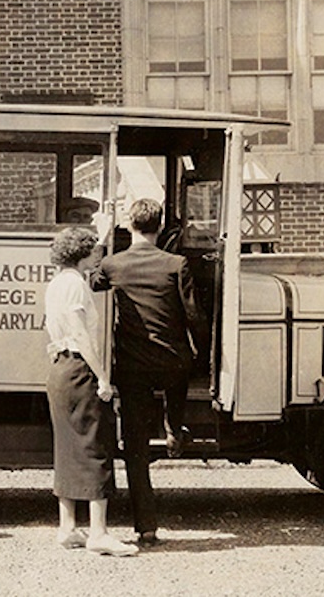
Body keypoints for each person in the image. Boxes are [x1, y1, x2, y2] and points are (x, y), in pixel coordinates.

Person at [89, 198, 204, 548]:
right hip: (172, 361)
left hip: (133, 364)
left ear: (130, 226)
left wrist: (101, 237)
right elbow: (194, 315)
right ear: (160, 226)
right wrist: (202, 354)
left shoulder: (114, 264)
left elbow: (93, 281)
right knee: (178, 380)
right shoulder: (177, 263)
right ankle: (174, 428)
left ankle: (147, 527)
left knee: (135, 448)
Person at [45, 227, 137, 557]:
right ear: (82, 254)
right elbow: (82, 336)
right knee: (96, 447)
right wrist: (102, 378)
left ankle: (68, 527)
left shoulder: (57, 283)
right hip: (78, 369)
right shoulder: (75, 285)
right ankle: (98, 533)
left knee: (69, 448)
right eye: (92, 250)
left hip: (59, 368)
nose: (96, 255)